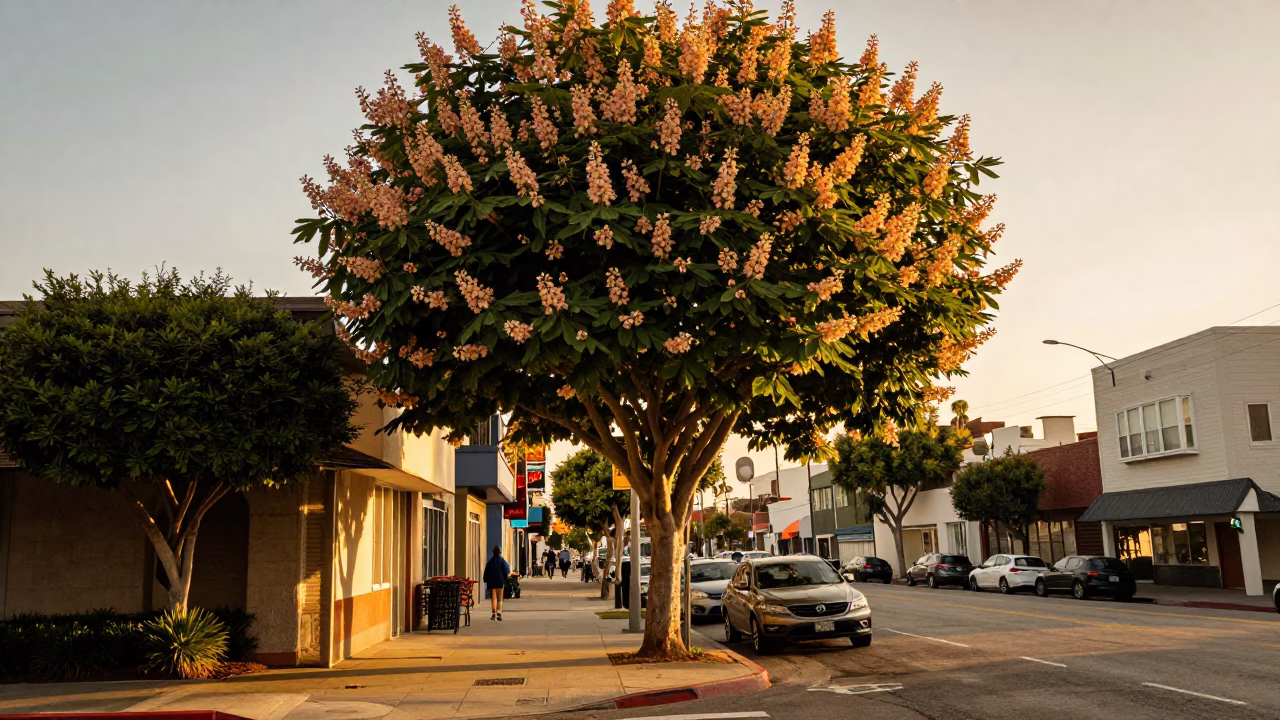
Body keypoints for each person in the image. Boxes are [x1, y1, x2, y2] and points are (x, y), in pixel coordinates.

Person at [483, 546, 510, 621]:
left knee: (493, 599)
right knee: (499, 599)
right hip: (500, 582)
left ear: (493, 553)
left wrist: (485, 580)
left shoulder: (489, 562)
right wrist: (506, 578)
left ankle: (493, 613)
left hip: (491, 582)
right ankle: (499, 612)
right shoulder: (502, 561)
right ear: (499, 553)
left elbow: (486, 572)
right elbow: (507, 569)